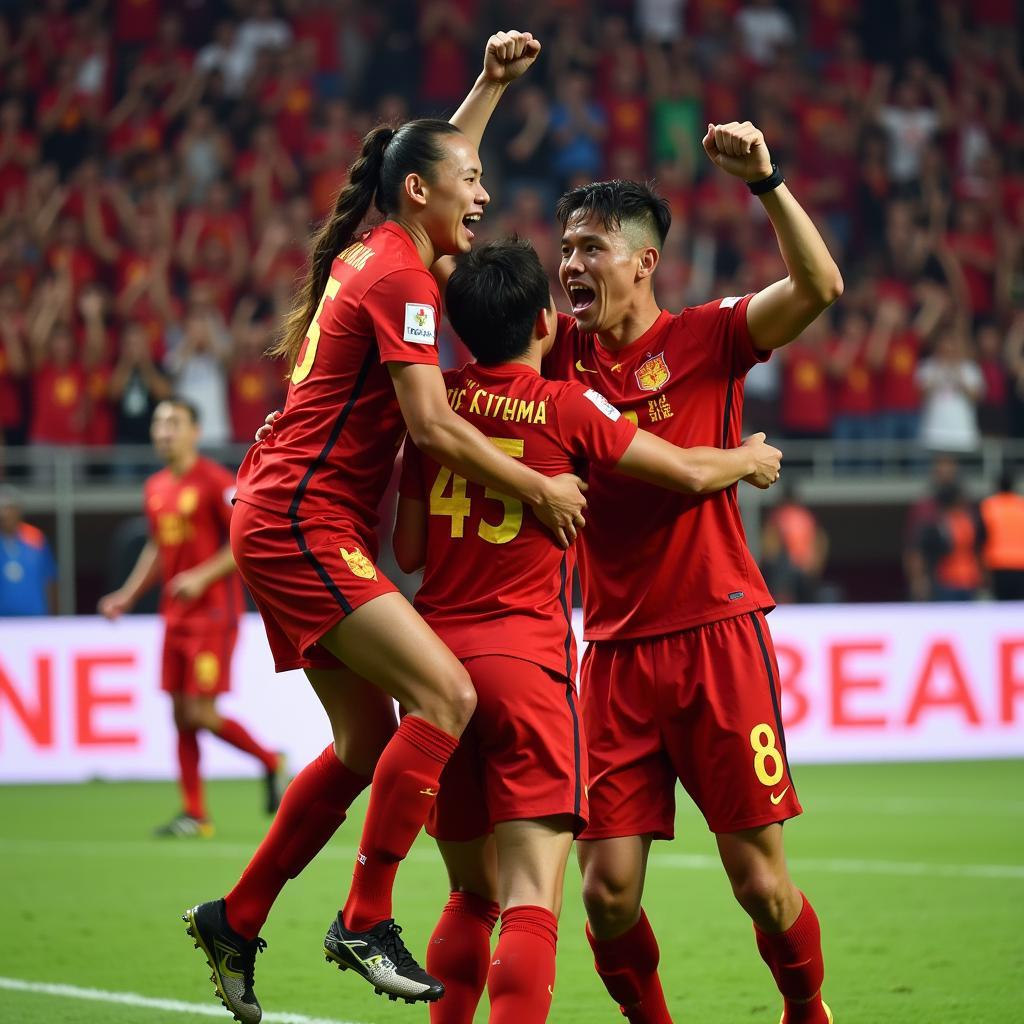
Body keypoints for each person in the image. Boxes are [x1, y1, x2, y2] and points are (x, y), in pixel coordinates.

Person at [181, 31, 588, 1021]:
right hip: (299, 517)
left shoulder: (383, 245)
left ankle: (236, 915)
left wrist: (487, 86)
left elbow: (428, 158)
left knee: (367, 741)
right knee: (443, 695)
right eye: (471, 181)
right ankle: (363, 914)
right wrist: (534, 488)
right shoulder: (401, 276)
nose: (482, 195)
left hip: (280, 508)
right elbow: (431, 425)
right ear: (420, 193)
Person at [393, 238, 781, 1024]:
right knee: (534, 899)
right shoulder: (568, 405)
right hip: (528, 666)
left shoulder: (429, 413)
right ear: (544, 320)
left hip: (435, 668)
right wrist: (746, 457)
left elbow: (405, 551)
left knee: (470, 893)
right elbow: (684, 471)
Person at [543, 125, 842, 1024]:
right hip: (616, 657)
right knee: (605, 895)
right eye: (564, 250)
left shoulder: (708, 337)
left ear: (643, 263)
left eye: (590, 248)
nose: (571, 265)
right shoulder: (554, 355)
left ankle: (805, 1009)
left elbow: (820, 288)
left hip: (718, 639)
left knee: (759, 881)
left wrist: (768, 182)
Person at [98, 398, 283, 837]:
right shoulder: (155, 488)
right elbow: (158, 549)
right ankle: (195, 814)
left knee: (200, 711)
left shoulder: (214, 482)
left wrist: (201, 578)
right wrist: (126, 595)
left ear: (195, 432)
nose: (164, 431)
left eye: (174, 423)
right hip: (175, 615)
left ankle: (269, 760)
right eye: (159, 423)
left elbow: (242, 540)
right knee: (181, 714)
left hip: (213, 613)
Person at [0, 485, 56, 616]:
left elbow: (50, 578)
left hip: (34, 617)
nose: (4, 514)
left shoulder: (35, 537)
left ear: (18, 510)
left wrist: (53, 615)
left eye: (8, 508)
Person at [980, 468, 1024, 600]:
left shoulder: (988, 506)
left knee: (1002, 607)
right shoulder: (1021, 505)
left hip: (998, 564)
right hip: (1021, 563)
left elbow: (982, 537)